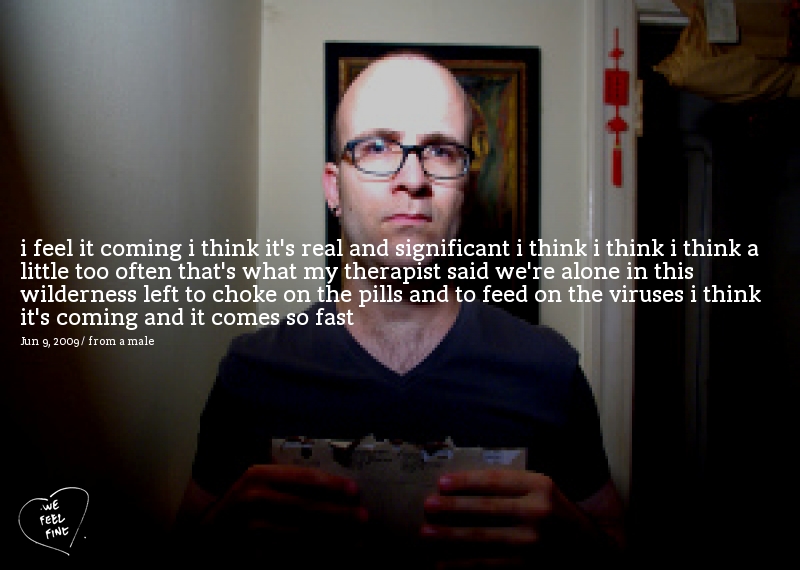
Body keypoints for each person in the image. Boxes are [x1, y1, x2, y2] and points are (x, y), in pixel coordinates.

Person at [174, 51, 625, 568]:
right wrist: (218, 537)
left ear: (466, 189)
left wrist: (577, 542)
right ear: (333, 188)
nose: (413, 178)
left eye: (441, 152)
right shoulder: (252, 374)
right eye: (376, 146)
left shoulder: (548, 371)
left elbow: (617, 546)